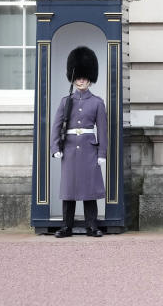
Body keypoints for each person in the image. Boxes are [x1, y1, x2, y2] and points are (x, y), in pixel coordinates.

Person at [49, 46, 108, 238]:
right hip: (69, 150)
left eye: (84, 77)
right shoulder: (66, 101)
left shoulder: (97, 102)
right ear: (73, 79)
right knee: (69, 189)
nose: (81, 80)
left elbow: (103, 130)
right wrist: (55, 147)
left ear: (90, 79)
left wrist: (102, 154)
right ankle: (66, 226)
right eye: (78, 77)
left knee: (89, 190)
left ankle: (92, 226)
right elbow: (56, 126)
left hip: (89, 150)